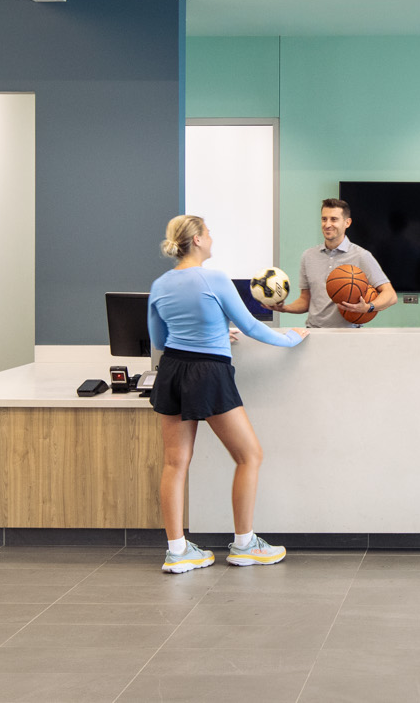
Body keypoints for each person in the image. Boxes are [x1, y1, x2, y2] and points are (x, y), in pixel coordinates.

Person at [147, 214, 307, 574]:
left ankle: (177, 551)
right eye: (209, 232)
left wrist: (216, 330)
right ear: (199, 240)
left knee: (175, 463)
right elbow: (252, 326)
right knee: (249, 456)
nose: (212, 237)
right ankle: (245, 544)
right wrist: (290, 339)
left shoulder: (159, 285)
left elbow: (159, 341)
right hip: (209, 372)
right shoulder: (214, 279)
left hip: (172, 371)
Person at [270, 198, 398, 328]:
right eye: (324, 219)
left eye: (334, 219)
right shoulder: (308, 256)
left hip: (349, 335)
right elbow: (305, 300)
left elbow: (390, 295)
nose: (327, 224)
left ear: (347, 223)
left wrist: (369, 307)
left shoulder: (361, 256)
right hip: (314, 333)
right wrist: (285, 308)